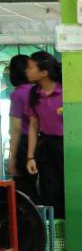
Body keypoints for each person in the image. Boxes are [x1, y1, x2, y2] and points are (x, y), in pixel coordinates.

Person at [23, 51, 64, 217]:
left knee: (66, 188)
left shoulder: (65, 92)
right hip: (46, 145)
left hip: (66, 145)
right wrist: (30, 157)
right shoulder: (34, 94)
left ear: (44, 72)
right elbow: (33, 126)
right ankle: (55, 226)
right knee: (49, 190)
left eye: (30, 67)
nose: (27, 71)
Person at [5, 54, 38, 201]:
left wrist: (12, 158)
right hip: (41, 143)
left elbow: (16, 128)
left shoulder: (17, 95)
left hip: (24, 145)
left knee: (25, 190)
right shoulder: (39, 91)